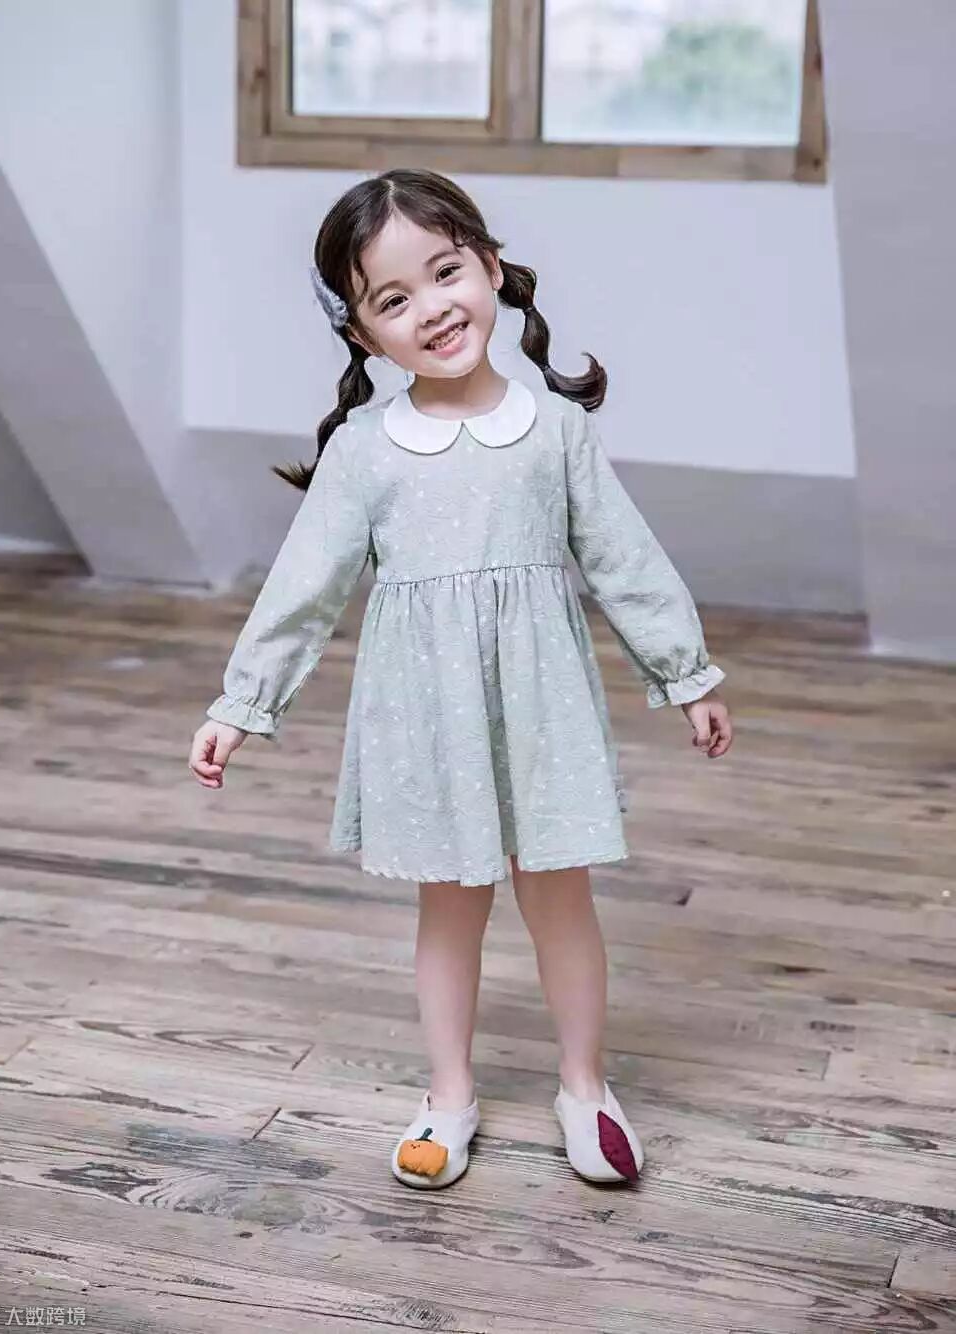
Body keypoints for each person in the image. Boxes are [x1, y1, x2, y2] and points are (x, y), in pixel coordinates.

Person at [188, 168, 733, 1191]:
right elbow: (304, 587)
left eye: (446, 273)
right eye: (393, 299)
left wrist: (685, 673)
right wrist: (244, 703)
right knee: (449, 909)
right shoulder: (366, 451)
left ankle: (585, 1086)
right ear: (362, 334)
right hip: (427, 717)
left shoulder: (555, 430)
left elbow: (623, 557)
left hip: (542, 709)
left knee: (560, 901)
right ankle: (449, 1094)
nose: (432, 308)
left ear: (488, 265)